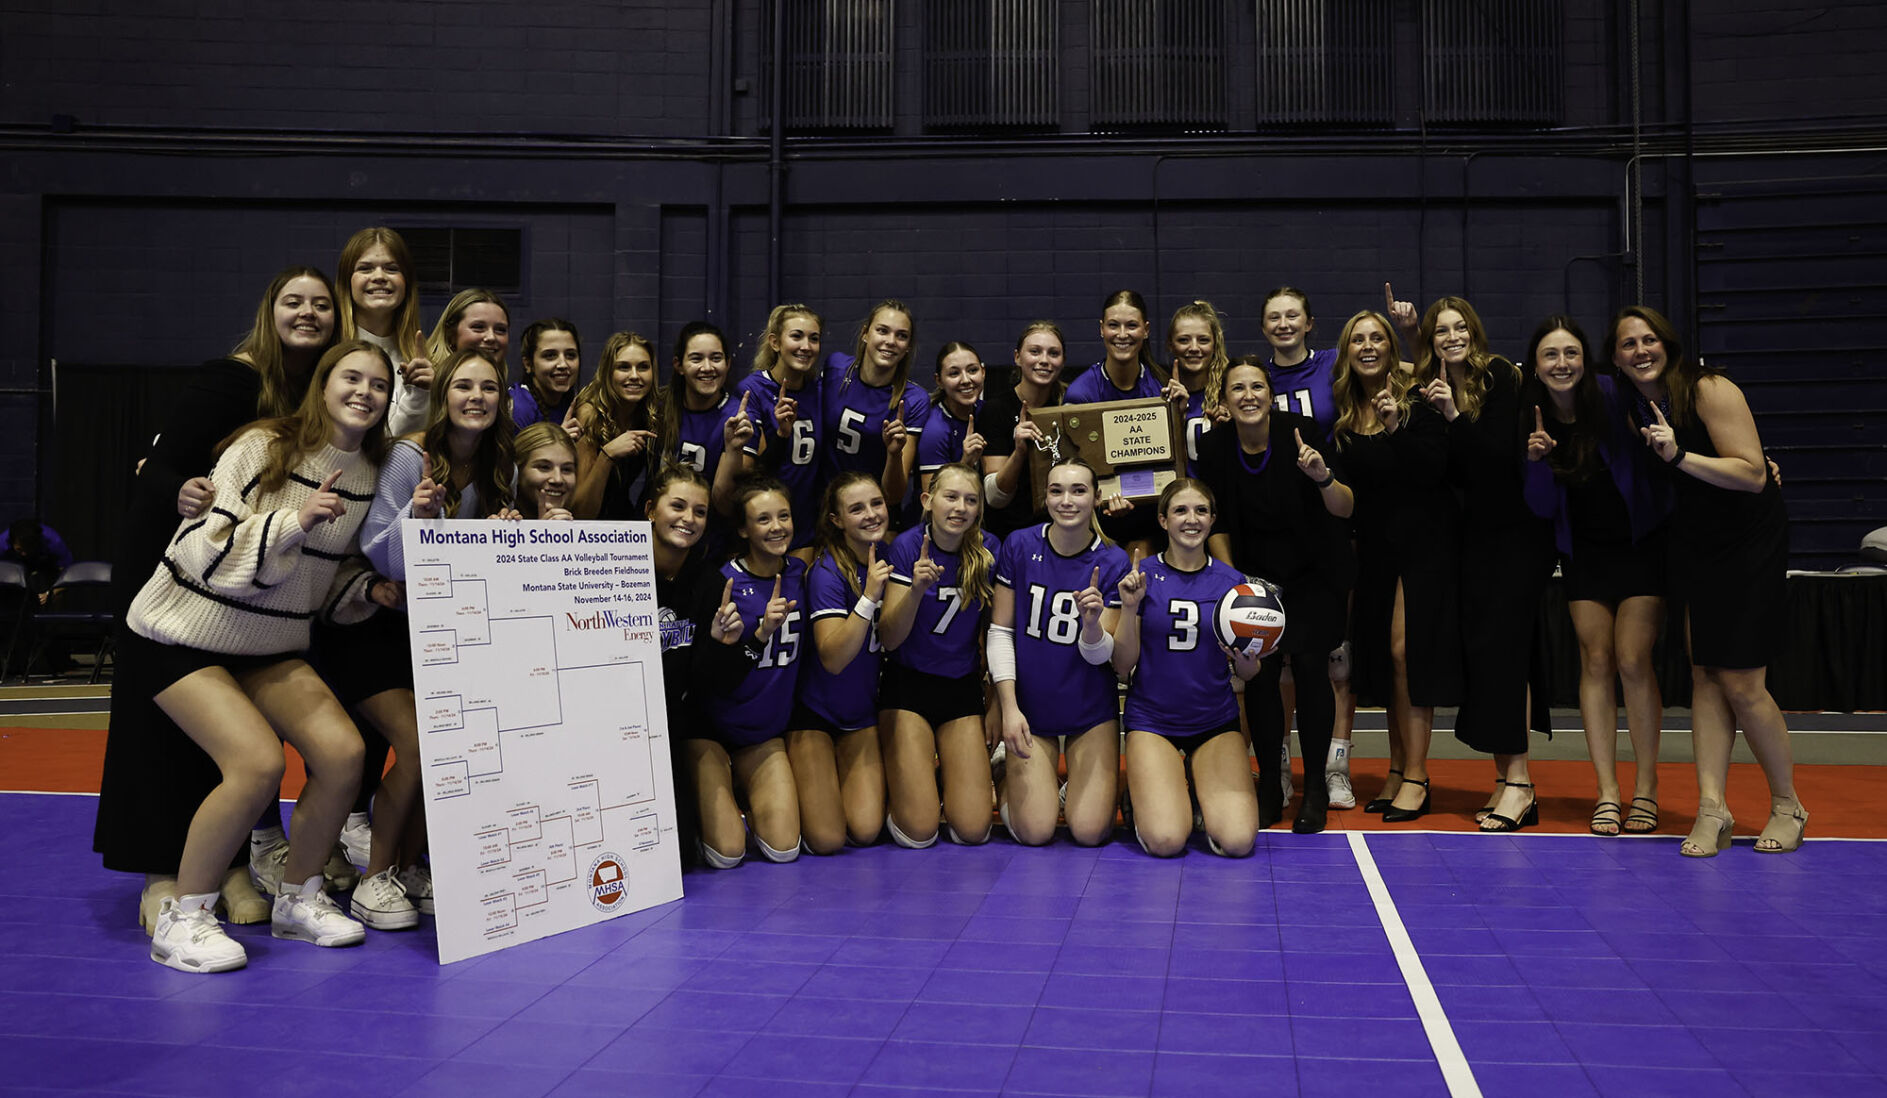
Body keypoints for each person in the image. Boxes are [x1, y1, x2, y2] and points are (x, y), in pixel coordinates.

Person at [127, 340, 401, 971]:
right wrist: (293, 522)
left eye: (379, 384)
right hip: (181, 631)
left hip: (267, 643)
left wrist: (367, 591)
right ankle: (184, 917)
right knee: (255, 763)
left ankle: (298, 898)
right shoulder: (261, 446)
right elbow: (202, 547)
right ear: (323, 386)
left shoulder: (367, 473)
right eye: (350, 378)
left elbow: (324, 576)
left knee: (344, 753)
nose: (364, 392)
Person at [96, 266, 339, 933]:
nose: (307, 313)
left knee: (230, 733)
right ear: (270, 311)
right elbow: (156, 462)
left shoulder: (317, 392)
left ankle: (229, 865)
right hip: (166, 572)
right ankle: (160, 872)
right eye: (294, 301)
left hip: (238, 579)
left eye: (321, 304)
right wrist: (178, 490)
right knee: (158, 727)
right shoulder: (233, 378)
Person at [1612, 305, 1804, 855]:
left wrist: (1679, 457)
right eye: (1628, 344)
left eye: (1649, 339)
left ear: (1668, 344)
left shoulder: (1709, 389)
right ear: (1616, 359)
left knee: (1742, 682)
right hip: (1694, 542)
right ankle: (1713, 808)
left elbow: (1752, 473)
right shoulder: (1631, 407)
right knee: (1703, 675)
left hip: (1748, 541)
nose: (1641, 351)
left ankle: (1788, 806)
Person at [344, 348, 516, 926]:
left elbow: (476, 571)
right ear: (443, 395)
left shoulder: (502, 468)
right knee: (420, 747)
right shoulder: (406, 456)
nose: (476, 397)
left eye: (488, 388)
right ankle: (374, 879)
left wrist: (501, 536)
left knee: (449, 751)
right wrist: (418, 517)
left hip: (443, 637)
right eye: (463, 386)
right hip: (378, 631)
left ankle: (411, 865)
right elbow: (381, 555)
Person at [1522, 316, 1672, 836]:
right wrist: (1537, 462)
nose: (1562, 363)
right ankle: (1607, 791)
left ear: (1586, 360)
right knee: (1597, 659)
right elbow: (1541, 508)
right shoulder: (1533, 416)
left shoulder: (1613, 395)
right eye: (1550, 355)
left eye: (1571, 353)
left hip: (1639, 545)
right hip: (1584, 553)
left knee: (1632, 658)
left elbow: (1671, 423)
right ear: (1536, 366)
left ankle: (1646, 788)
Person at [1197, 360, 1355, 834]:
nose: (1248, 395)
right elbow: (1218, 522)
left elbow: (1345, 506)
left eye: (1257, 387)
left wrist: (1322, 476)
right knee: (1261, 676)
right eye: (1237, 388)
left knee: (1309, 668)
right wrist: (1235, 581)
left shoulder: (1301, 433)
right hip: (1254, 578)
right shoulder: (1215, 446)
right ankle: (1269, 786)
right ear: (1224, 400)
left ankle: (1316, 790)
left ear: (1271, 395)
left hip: (1313, 573)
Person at [1418, 296, 1554, 831]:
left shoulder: (1498, 377)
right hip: (1473, 539)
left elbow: (1497, 462)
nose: (1452, 337)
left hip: (1514, 537)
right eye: (1441, 330)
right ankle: (1506, 780)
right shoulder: (1433, 387)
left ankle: (1519, 782)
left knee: (1506, 658)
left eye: (1460, 328)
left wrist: (1452, 416)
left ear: (1474, 332)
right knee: (1487, 660)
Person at [1328, 311, 1461, 822]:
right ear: (1346, 351)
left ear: (1391, 347)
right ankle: (1397, 767)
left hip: (1424, 544)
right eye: (1357, 339)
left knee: (1407, 654)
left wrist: (1395, 425)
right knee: (1385, 659)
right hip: (1374, 550)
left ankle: (1419, 775)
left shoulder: (1419, 398)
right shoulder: (1344, 412)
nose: (1367, 346)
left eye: (1376, 338)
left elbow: (1434, 469)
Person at [1112, 479, 1262, 857]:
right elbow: (1122, 664)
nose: (1191, 519)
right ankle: (1142, 796)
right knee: (1166, 841)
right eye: (1180, 510)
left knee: (1238, 841)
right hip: (1153, 721)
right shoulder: (1141, 575)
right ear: (1163, 520)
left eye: (1201, 511)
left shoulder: (1233, 583)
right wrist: (1129, 607)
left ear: (1212, 520)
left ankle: (1197, 789)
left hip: (1214, 720)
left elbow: (1248, 674)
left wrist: (1248, 660)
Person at [988, 458, 1129, 846]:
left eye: (1079, 491)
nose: (1067, 500)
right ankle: (1003, 770)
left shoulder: (1113, 560)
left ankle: (1072, 789)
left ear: (1096, 498)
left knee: (1090, 832)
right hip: (1031, 707)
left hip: (1089, 707)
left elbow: (1104, 657)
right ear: (1045, 497)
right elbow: (1000, 632)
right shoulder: (1019, 544)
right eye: (1057, 491)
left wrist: (1091, 626)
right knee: (1035, 832)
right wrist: (1008, 707)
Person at [685, 475, 810, 866]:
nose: (777, 527)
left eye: (783, 516)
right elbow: (706, 675)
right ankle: (714, 798)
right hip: (713, 728)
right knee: (727, 853)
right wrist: (758, 634)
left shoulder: (800, 573)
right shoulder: (722, 582)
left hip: (764, 732)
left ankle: (745, 794)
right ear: (743, 529)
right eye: (763, 519)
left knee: (783, 849)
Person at [878, 462, 999, 847]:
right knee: (919, 831)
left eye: (971, 500)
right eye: (951, 497)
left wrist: (995, 700)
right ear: (928, 501)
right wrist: (915, 591)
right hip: (908, 685)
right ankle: (903, 786)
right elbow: (889, 638)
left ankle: (964, 775)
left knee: (974, 830)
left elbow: (997, 632)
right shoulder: (907, 546)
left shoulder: (989, 550)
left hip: (961, 687)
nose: (960, 507)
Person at [800, 472, 894, 849]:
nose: (871, 514)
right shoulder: (827, 572)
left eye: (876, 503)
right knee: (827, 840)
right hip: (816, 713)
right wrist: (869, 598)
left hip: (862, 714)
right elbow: (834, 659)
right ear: (837, 520)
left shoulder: (892, 557)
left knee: (866, 830)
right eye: (857, 509)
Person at [646, 465, 722, 868]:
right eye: (677, 506)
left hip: (676, 723)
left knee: (680, 859)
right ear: (650, 510)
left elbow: (706, 680)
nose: (688, 519)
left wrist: (724, 643)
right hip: (619, 722)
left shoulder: (709, 582)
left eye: (700, 511)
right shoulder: (614, 568)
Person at [823, 301, 928, 516]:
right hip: (824, 504)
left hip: (872, 512)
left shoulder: (913, 400)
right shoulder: (835, 367)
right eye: (882, 331)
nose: (891, 341)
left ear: (908, 346)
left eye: (901, 336)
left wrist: (894, 453)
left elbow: (894, 495)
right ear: (865, 334)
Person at [736, 305, 827, 546]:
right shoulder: (754, 390)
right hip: (766, 523)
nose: (806, 346)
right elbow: (751, 475)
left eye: (814, 338)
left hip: (806, 523)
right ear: (775, 342)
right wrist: (782, 435)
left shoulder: (820, 391)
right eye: (796, 336)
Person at [335, 227, 433, 437]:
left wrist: (421, 395)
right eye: (365, 268)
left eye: (391, 269)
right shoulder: (327, 351)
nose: (379, 276)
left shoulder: (423, 364)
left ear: (406, 283)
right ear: (347, 282)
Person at [978, 321, 1068, 537]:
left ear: (1063, 361)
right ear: (1017, 357)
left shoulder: (1070, 405)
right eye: (1035, 352)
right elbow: (995, 498)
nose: (1044, 360)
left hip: (1062, 530)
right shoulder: (996, 410)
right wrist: (1019, 452)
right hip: (1009, 533)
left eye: (1053, 353)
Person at [656, 320, 752, 518]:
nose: (707, 367)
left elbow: (726, 505)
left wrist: (734, 450)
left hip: (713, 530)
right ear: (679, 365)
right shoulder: (659, 408)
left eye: (716, 358)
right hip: (659, 526)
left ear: (728, 364)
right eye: (696, 358)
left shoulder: (739, 419)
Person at [569, 331, 661, 520]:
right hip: (587, 524)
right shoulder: (590, 414)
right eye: (623, 367)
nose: (634, 375)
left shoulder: (650, 412)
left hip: (623, 519)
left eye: (643, 367)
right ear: (608, 372)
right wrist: (607, 455)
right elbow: (581, 512)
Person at [915, 342, 986, 497]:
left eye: (972, 370)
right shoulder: (935, 429)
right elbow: (932, 499)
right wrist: (966, 462)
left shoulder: (988, 412)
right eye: (954, 373)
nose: (966, 380)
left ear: (983, 372)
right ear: (939, 380)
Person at [1167, 300, 1229, 471]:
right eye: (1183, 340)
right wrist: (1175, 416)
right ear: (1171, 345)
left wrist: (1233, 429)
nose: (1194, 348)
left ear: (1215, 344)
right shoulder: (1159, 394)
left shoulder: (1230, 394)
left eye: (1203, 340)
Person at [424, 289, 511, 378]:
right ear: (451, 334)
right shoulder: (424, 381)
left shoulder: (505, 385)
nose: (491, 337)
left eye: (500, 329)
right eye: (479, 327)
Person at [511, 319, 581, 429]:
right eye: (550, 356)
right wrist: (560, 438)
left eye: (570, 355)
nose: (563, 364)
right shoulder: (519, 407)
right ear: (528, 364)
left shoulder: (571, 402)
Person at [514, 421, 578, 520]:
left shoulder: (589, 526)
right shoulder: (499, 522)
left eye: (566, 469)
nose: (558, 479)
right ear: (517, 471)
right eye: (544, 467)